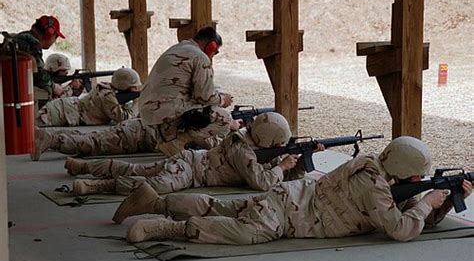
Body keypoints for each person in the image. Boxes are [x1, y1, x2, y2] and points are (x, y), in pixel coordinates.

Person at [114, 136, 473, 244]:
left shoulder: (377, 173)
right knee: (246, 232)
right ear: (405, 170)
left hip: (291, 198)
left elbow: (412, 211)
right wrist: (426, 205)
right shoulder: (374, 186)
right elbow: (401, 228)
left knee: (225, 208)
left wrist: (438, 203)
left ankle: (157, 202)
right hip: (291, 215)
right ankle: (169, 227)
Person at [63, 113, 324, 199]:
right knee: (156, 185)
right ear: (269, 140)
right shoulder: (240, 147)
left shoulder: (249, 143)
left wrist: (298, 162)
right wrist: (283, 166)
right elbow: (263, 182)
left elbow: (282, 173)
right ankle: (99, 184)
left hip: (189, 162)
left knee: (136, 169)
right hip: (191, 170)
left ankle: (84, 167)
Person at [138, 26, 236, 156]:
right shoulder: (201, 57)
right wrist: (223, 100)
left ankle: (171, 142)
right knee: (224, 117)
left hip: (151, 112)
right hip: (168, 112)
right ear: (211, 46)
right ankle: (176, 144)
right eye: (216, 51)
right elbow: (204, 97)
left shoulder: (179, 48)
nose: (214, 55)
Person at [36, 67, 141, 127]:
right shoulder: (107, 95)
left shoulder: (108, 90)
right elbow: (123, 119)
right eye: (134, 88)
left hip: (66, 109)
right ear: (125, 86)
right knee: (32, 129)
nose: (135, 90)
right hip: (60, 112)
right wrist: (137, 102)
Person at [12, 15, 66, 106]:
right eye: (55, 37)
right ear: (49, 33)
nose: (54, 41)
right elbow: (39, 75)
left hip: (12, 87)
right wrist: (54, 87)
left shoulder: (24, 37)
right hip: (17, 92)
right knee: (47, 91)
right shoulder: (33, 44)